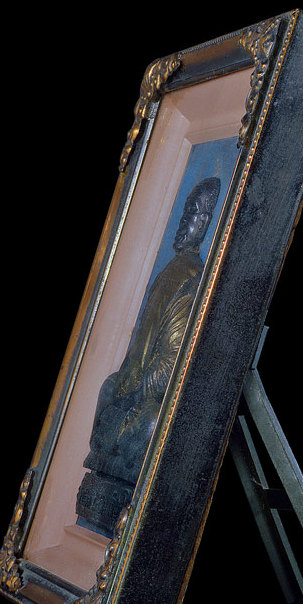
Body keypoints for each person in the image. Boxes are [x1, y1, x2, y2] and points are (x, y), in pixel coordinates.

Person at [76, 176, 221, 536]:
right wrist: (123, 388)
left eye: (193, 215)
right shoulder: (172, 268)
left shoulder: (191, 278)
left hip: (144, 397)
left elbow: (169, 362)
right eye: (184, 213)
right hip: (129, 386)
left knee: (150, 423)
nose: (184, 224)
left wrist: (134, 396)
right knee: (108, 387)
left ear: (205, 222)